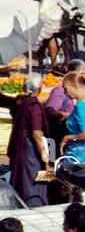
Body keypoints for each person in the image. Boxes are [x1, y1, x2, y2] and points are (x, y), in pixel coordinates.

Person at [1, 75, 51, 207]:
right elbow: (36, 134)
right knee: (33, 181)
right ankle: (34, 205)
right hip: (31, 150)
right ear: (39, 89)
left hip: (21, 147)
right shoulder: (34, 106)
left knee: (23, 178)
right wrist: (46, 161)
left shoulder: (21, 102)